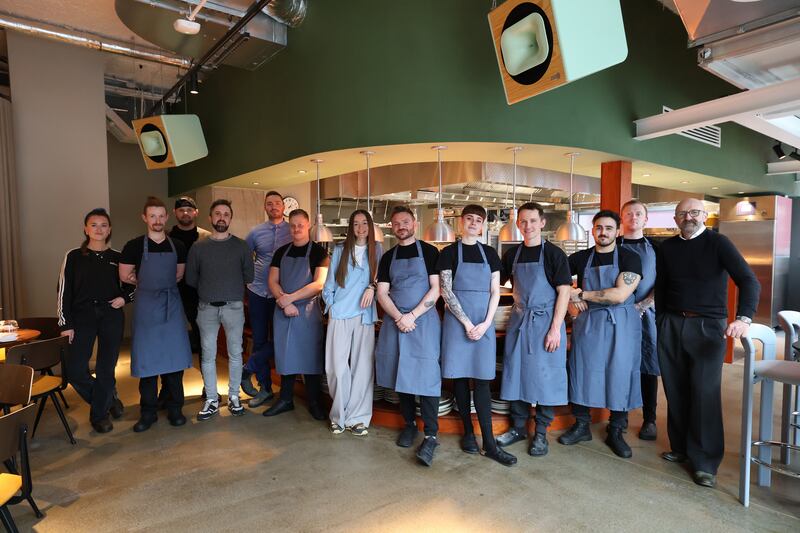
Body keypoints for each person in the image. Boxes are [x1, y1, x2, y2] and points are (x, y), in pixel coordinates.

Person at [655, 198, 759, 488]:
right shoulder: (668, 247)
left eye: (694, 212)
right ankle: (681, 447)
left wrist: (744, 318)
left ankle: (705, 463)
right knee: (675, 389)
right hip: (672, 323)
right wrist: (661, 320)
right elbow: (662, 287)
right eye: (682, 213)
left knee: (704, 393)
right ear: (675, 219)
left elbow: (749, 281)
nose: (688, 217)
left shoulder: (719, 243)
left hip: (708, 325)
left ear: (704, 216)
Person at [560, 210, 643, 459]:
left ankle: (616, 430)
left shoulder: (630, 258)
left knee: (620, 372)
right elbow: (556, 279)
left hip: (621, 324)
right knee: (582, 369)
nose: (603, 232)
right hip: (589, 324)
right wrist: (570, 295)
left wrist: (581, 295)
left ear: (617, 231)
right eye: (598, 228)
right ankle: (582, 425)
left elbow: (619, 295)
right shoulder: (580, 258)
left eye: (608, 228)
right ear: (592, 230)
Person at [438, 204, 516, 466]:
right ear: (461, 222)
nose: (473, 223)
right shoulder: (448, 253)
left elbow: (496, 291)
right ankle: (468, 434)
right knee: (459, 379)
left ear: (482, 225)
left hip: (483, 323)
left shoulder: (490, 254)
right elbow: (446, 292)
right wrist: (467, 322)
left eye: (478, 220)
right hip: (458, 323)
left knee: (482, 380)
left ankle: (490, 444)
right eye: (469, 219)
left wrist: (484, 323)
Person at [495, 202, 572, 458]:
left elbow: (564, 291)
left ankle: (540, 432)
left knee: (546, 376)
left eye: (532, 221)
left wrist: (555, 329)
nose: (527, 226)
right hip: (519, 319)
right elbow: (497, 284)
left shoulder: (554, 254)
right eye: (523, 221)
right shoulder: (512, 255)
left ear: (542, 223)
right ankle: (518, 428)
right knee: (515, 373)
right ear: (518, 224)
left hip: (546, 320)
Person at [375, 206, 442, 466]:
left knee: (427, 378)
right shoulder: (388, 257)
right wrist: (398, 318)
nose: (401, 226)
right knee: (399, 372)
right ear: (392, 227)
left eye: (405, 221)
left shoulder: (429, 252)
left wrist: (412, 316)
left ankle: (432, 434)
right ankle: (410, 424)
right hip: (395, 322)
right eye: (396, 223)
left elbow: (436, 290)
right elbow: (382, 292)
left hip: (422, 324)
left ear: (414, 223)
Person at [120, 196, 192, 432]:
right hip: (146, 307)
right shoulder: (133, 246)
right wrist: (147, 285)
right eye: (153, 216)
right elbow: (124, 275)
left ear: (166, 217)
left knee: (174, 362)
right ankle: (148, 412)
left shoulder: (177, 246)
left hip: (171, 306)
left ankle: (175, 408)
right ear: (145, 218)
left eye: (161, 216)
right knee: (148, 364)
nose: (157, 220)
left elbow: (179, 275)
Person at [57, 208, 133, 433]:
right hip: (82, 317)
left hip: (111, 315)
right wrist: (65, 324)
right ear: (85, 228)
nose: (98, 229)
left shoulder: (118, 258)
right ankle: (108, 400)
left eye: (103, 225)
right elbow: (63, 291)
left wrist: (124, 298)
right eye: (94, 225)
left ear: (109, 229)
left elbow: (136, 285)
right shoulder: (73, 256)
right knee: (75, 370)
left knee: (106, 368)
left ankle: (99, 415)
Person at [186, 199, 254, 421]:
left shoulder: (241, 246)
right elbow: (191, 278)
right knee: (208, 354)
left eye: (226, 214)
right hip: (206, 308)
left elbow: (249, 276)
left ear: (230, 218)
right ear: (210, 218)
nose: (221, 217)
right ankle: (212, 399)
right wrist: (212, 288)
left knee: (236, 353)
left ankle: (234, 396)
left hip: (234, 307)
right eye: (217, 213)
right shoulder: (199, 247)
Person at [263, 209, 330, 420]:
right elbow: (272, 281)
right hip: (283, 310)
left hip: (308, 312)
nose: (296, 229)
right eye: (292, 225)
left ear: (308, 225)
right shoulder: (281, 252)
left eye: (300, 224)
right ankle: (285, 399)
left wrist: (290, 299)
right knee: (285, 355)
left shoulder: (320, 253)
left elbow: (319, 284)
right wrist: (283, 302)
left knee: (310, 357)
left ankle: (313, 402)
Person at [322, 210, 382, 436]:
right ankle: (338, 416)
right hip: (340, 314)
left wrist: (372, 287)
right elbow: (328, 285)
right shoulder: (339, 251)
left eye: (364, 223)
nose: (360, 228)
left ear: (370, 225)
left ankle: (358, 418)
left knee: (362, 368)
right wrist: (331, 307)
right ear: (350, 227)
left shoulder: (378, 251)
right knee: (336, 368)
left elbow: (382, 280)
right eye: (356, 224)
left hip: (365, 316)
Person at [243, 191, 292, 407]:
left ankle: (250, 368)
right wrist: (246, 283)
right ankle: (265, 389)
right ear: (265, 207)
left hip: (283, 294)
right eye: (269, 203)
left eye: (277, 203)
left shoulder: (294, 230)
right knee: (260, 340)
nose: (274, 206)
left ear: (283, 207)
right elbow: (244, 258)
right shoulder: (255, 232)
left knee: (283, 339)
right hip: (258, 292)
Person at [619, 200, 659, 441]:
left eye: (638, 214)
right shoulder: (613, 244)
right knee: (621, 365)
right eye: (628, 214)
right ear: (622, 218)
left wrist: (643, 305)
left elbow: (664, 281)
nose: (633, 217)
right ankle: (619, 416)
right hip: (619, 314)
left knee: (647, 366)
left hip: (646, 314)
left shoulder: (656, 247)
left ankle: (649, 419)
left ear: (646, 219)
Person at [168, 196, 210, 354]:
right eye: (181, 210)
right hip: (173, 294)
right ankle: (173, 377)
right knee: (173, 336)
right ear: (175, 212)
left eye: (189, 210)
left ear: (196, 212)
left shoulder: (207, 237)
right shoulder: (166, 237)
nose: (185, 213)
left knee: (203, 340)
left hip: (199, 295)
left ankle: (206, 377)